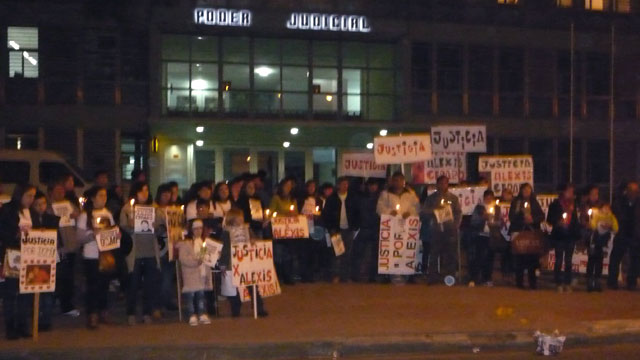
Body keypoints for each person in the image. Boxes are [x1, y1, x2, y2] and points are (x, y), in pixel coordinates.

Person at [120, 181, 162, 325]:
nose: (144, 194)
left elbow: (161, 225)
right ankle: (131, 313)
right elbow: (122, 229)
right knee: (133, 284)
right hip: (135, 253)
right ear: (135, 193)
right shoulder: (127, 208)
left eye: (146, 190)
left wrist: (157, 224)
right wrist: (130, 226)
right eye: (141, 191)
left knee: (149, 285)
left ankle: (147, 313)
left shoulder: (154, 208)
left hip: (150, 251)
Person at [77, 186, 118, 329]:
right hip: (91, 255)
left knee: (104, 286)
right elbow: (80, 237)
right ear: (93, 198)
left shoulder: (107, 213)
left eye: (105, 196)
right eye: (100, 195)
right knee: (93, 286)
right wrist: (92, 235)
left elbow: (112, 230)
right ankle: (92, 315)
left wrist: (115, 235)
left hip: (106, 255)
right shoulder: (85, 215)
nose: (103, 198)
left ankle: (103, 312)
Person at [0, 183, 37, 339]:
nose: (31, 199)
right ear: (20, 194)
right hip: (13, 255)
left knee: (26, 292)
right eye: (28, 196)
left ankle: (22, 325)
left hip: (29, 255)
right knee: (11, 293)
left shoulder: (31, 212)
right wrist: (17, 233)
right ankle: (10, 327)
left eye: (33, 196)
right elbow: (3, 232)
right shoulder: (8, 210)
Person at [218, 209, 267, 317]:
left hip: (246, 261)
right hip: (232, 262)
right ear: (233, 219)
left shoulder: (246, 229)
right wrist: (223, 264)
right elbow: (225, 249)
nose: (241, 219)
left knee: (252, 285)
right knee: (233, 288)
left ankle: (259, 308)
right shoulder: (226, 232)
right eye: (239, 217)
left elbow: (254, 239)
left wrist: (254, 240)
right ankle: (236, 308)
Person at [47, 180, 81, 317]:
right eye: (57, 190)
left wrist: (76, 215)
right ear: (51, 192)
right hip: (57, 247)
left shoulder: (69, 204)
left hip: (71, 246)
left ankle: (66, 304)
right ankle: (55, 301)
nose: (61, 193)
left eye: (62, 190)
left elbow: (79, 216)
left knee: (68, 277)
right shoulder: (48, 206)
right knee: (57, 276)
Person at [30, 191, 62, 331]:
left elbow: (57, 239)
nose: (40, 207)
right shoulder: (29, 219)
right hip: (34, 258)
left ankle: (46, 319)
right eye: (37, 205)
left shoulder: (52, 219)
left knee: (48, 290)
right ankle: (37, 317)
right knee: (34, 289)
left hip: (50, 257)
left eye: (42, 204)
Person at [421, 175, 461, 285]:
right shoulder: (431, 198)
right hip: (436, 229)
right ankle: (432, 277)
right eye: (441, 183)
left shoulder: (453, 198)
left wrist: (455, 225)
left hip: (449, 229)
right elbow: (424, 212)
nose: (443, 185)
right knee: (434, 253)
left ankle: (450, 278)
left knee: (450, 254)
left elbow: (458, 213)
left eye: (445, 183)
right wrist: (435, 211)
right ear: (437, 184)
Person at [323, 177, 360, 283]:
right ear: (338, 185)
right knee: (337, 253)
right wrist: (331, 228)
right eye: (343, 184)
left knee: (347, 254)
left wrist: (355, 226)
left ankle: (345, 276)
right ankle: (336, 275)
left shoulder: (352, 197)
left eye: (347, 184)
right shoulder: (332, 199)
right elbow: (327, 215)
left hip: (348, 229)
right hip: (336, 229)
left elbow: (357, 212)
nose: (345, 186)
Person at [509, 183, 545, 290]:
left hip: (531, 233)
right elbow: (512, 216)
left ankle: (532, 283)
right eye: (525, 190)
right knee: (519, 259)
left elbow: (541, 216)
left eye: (529, 190)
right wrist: (522, 217)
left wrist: (532, 219)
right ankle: (519, 282)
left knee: (532, 259)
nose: (527, 192)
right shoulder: (516, 202)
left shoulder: (534, 202)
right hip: (520, 232)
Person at [176, 219, 212, 326]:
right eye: (196, 229)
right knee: (190, 296)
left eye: (200, 228)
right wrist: (196, 262)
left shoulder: (203, 242)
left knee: (201, 295)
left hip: (201, 273)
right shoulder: (185, 244)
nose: (198, 231)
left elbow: (205, 256)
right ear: (191, 230)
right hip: (190, 273)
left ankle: (201, 313)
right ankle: (191, 314)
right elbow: (184, 259)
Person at [547, 184, 581, 293]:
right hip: (559, 235)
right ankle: (558, 282)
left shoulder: (574, 205)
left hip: (570, 235)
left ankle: (567, 282)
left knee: (568, 261)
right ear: (564, 192)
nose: (571, 194)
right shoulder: (555, 204)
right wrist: (558, 222)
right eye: (570, 191)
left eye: (572, 192)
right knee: (558, 260)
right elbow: (549, 219)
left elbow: (576, 220)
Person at [608, 181, 639, 290]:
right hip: (622, 233)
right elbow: (616, 215)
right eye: (632, 191)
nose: (634, 193)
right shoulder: (619, 202)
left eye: (636, 191)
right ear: (627, 191)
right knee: (616, 258)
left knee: (635, 259)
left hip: (635, 235)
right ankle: (612, 282)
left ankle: (631, 282)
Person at [469, 190, 503, 287]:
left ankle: (487, 278)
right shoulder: (479, 208)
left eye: (490, 197)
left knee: (490, 258)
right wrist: (483, 218)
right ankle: (474, 278)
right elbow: (473, 221)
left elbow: (500, 222)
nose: (489, 199)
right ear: (484, 198)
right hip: (480, 235)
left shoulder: (497, 208)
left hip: (491, 236)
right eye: (487, 197)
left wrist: (493, 223)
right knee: (478, 257)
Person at [269, 177, 299, 284]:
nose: (289, 188)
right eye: (287, 186)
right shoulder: (276, 198)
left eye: (290, 186)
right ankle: (278, 276)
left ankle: (288, 276)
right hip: (279, 230)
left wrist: (294, 215)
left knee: (288, 254)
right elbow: (272, 213)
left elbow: (296, 213)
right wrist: (284, 215)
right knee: (278, 253)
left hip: (289, 231)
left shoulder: (292, 199)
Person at [154, 183, 178, 313]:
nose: (167, 196)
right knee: (162, 276)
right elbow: (154, 228)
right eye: (164, 194)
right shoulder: (155, 209)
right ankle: (161, 303)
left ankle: (167, 300)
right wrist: (163, 227)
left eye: (169, 194)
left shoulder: (173, 209)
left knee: (168, 275)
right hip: (161, 246)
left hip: (172, 245)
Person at [353, 178, 382, 283]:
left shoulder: (381, 198)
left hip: (375, 228)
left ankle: (372, 276)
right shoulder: (361, 198)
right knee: (360, 252)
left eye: (374, 185)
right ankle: (356, 275)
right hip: (364, 227)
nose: (373, 187)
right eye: (371, 185)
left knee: (374, 254)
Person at [587, 203, 618, 292]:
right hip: (595, 241)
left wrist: (610, 226)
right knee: (592, 261)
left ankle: (597, 281)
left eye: (608, 208)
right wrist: (597, 226)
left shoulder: (611, 217)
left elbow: (616, 228)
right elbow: (593, 225)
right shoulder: (597, 216)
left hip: (602, 243)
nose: (606, 210)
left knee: (599, 263)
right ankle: (590, 281)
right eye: (605, 208)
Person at [297, 180, 324, 283]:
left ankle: (311, 275)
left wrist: (317, 216)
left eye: (313, 186)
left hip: (314, 229)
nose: (312, 188)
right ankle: (304, 275)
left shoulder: (318, 200)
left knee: (313, 253)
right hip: (303, 229)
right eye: (310, 186)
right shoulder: (301, 200)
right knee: (303, 253)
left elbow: (320, 213)